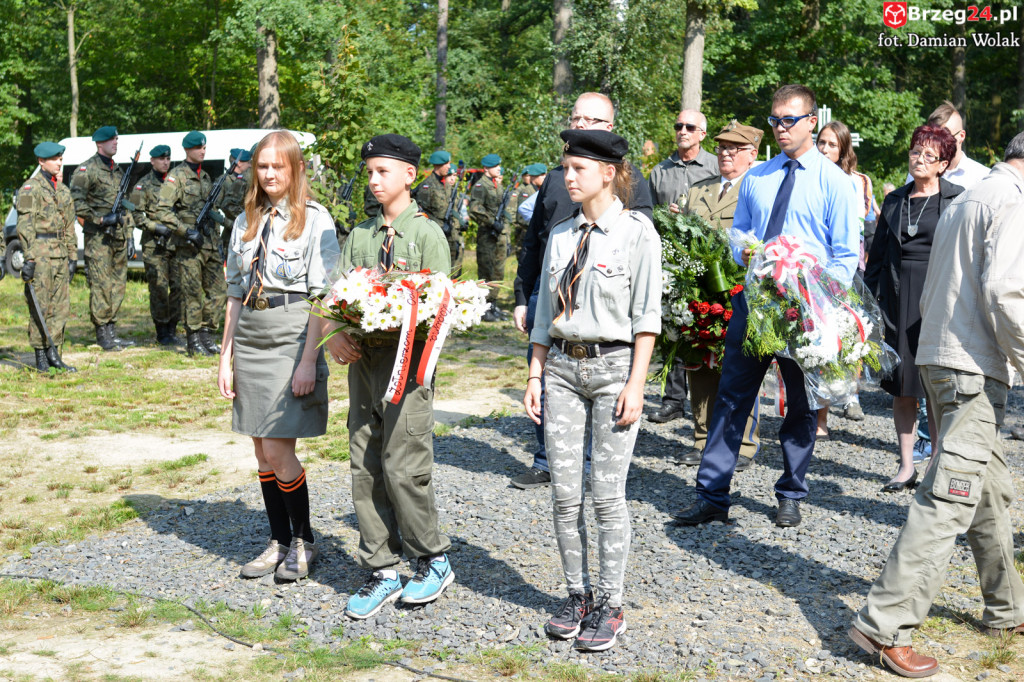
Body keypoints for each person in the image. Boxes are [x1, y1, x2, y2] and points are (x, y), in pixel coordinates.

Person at [849, 132, 1024, 679]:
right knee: (949, 496)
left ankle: (1007, 609)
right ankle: (884, 625)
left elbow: (931, 290)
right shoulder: (1008, 201)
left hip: (943, 359)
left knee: (986, 487)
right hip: (972, 367)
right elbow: (1007, 293)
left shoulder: (969, 197)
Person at [670, 84, 859, 528]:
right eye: (775, 120)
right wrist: (744, 250)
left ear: (811, 121)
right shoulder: (758, 177)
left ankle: (791, 492)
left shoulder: (835, 182)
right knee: (732, 398)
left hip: (803, 311)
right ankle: (712, 493)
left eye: (788, 120)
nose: (780, 128)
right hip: (754, 305)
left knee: (801, 405)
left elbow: (846, 254)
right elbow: (739, 234)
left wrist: (819, 300)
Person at [524, 129, 661, 652]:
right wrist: (534, 375)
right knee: (564, 496)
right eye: (566, 168)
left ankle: (610, 603)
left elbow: (647, 318)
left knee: (606, 496)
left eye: (578, 168)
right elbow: (544, 315)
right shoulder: (562, 234)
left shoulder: (637, 234)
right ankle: (577, 595)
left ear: (608, 173)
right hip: (561, 370)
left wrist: (636, 384)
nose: (568, 177)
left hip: (613, 370)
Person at [323, 134, 454, 621]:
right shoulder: (360, 236)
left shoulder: (426, 235)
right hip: (364, 363)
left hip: (410, 365)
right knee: (365, 462)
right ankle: (380, 567)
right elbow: (336, 295)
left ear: (409, 175)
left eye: (383, 171)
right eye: (370, 172)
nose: (374, 180)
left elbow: (442, 306)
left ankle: (431, 558)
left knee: (404, 462)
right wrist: (335, 334)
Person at [510, 92, 654, 490]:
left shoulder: (628, 180)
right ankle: (548, 460)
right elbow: (534, 241)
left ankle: (595, 462)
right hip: (550, 289)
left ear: (609, 127)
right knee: (546, 378)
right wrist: (522, 295)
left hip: (601, 294)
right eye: (576, 118)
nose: (580, 126)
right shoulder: (558, 178)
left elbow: (639, 242)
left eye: (590, 120)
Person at [217, 131, 338, 581]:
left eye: (277, 166)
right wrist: (225, 356)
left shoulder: (315, 220)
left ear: (296, 169)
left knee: (277, 448)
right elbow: (234, 293)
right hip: (250, 335)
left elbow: (323, 297)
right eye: (262, 166)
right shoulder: (244, 220)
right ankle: (278, 540)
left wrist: (308, 361)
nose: (269, 174)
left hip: (292, 336)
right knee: (260, 451)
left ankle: (305, 541)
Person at [864, 125, 963, 492]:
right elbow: (876, 259)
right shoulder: (894, 200)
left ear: (943, 164)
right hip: (897, 298)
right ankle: (907, 466)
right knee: (903, 386)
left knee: (935, 386)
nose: (919, 159)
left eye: (929, 155)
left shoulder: (957, 200)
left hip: (939, 301)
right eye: (915, 152)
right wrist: (866, 306)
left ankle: (937, 463)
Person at [907, 101, 991, 461]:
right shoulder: (911, 180)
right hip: (915, 286)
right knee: (918, 370)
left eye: (948, 135)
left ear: (961, 137)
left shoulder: (981, 178)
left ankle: (953, 446)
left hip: (959, 286)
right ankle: (925, 442)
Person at [678, 121, 764, 472]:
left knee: (740, 368)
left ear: (752, 153)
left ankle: (742, 443)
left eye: (734, 148)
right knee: (699, 365)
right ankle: (703, 440)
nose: (726, 153)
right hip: (699, 293)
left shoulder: (758, 189)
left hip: (738, 292)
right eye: (722, 147)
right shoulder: (698, 190)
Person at [648, 109, 720, 425]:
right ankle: (673, 400)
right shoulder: (659, 172)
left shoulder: (716, 166)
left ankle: (708, 402)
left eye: (690, 126)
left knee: (706, 324)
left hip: (709, 260)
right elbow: (647, 216)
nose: (683, 131)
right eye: (678, 125)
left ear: (702, 133)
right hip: (670, 261)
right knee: (673, 327)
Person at [813, 120, 872, 434]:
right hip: (809, 269)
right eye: (821, 142)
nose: (824, 149)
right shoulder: (806, 174)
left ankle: (851, 394)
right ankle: (817, 418)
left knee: (846, 337)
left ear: (843, 149)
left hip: (843, 271)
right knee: (814, 344)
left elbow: (854, 230)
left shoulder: (853, 182)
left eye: (832, 144)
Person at [154, 131, 229, 357]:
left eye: (204, 147)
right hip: (189, 246)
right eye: (198, 147)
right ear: (187, 150)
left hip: (209, 243)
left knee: (219, 291)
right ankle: (193, 339)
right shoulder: (176, 176)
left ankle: (206, 334)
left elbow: (212, 211)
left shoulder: (205, 177)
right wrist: (185, 231)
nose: (202, 151)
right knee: (192, 293)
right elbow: (162, 211)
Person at [70, 125, 135, 352]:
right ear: (100, 144)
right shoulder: (85, 170)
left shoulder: (118, 171)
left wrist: (129, 235)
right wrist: (99, 219)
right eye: (111, 140)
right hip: (98, 238)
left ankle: (111, 330)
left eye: (116, 139)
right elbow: (75, 203)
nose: (115, 143)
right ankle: (102, 333)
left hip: (118, 236)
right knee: (101, 284)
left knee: (118, 284)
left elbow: (126, 205)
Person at [16, 142, 78, 373]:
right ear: (41, 161)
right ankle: (41, 355)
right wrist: (30, 258)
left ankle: (54, 353)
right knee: (40, 306)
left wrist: (72, 256)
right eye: (54, 159)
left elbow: (69, 226)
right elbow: (25, 224)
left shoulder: (63, 190)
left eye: (60, 159)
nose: (59, 163)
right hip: (40, 254)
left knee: (61, 306)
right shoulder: (30, 188)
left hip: (60, 254)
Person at [131, 145, 181, 346]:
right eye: (161, 159)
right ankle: (162, 331)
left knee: (178, 287)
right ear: (152, 161)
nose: (165, 162)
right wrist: (154, 227)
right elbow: (134, 214)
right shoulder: (141, 185)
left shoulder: (175, 182)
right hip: (154, 245)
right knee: (159, 289)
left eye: (168, 159)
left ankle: (173, 328)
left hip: (175, 242)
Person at [469, 153, 507, 322]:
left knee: (498, 270)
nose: (499, 168)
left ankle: (492, 304)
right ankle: (483, 307)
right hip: (487, 234)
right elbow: (474, 208)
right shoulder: (481, 185)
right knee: (486, 271)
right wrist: (492, 222)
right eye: (495, 166)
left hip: (498, 234)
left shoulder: (495, 184)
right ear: (486, 168)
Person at [413, 150, 463, 275]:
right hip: (434, 234)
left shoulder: (446, 185)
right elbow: (421, 213)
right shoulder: (427, 186)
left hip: (450, 233)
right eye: (447, 164)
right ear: (438, 165)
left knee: (452, 269)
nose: (449, 167)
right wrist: (437, 225)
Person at [218, 148, 252, 255]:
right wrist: (229, 223)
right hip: (230, 232)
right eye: (248, 162)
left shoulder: (248, 179)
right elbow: (215, 208)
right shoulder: (224, 180)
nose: (250, 165)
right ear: (239, 163)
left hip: (245, 232)